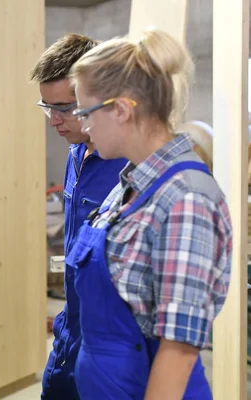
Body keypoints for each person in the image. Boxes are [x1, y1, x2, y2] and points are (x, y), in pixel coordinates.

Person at [66, 29, 232, 399]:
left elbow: (178, 349)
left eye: (84, 112)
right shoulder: (128, 185)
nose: (84, 126)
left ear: (121, 110)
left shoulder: (185, 199)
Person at [30, 34, 128, 399]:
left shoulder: (129, 164)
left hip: (110, 351)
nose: (53, 121)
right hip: (69, 338)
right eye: (46, 107)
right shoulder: (76, 153)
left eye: (65, 108)